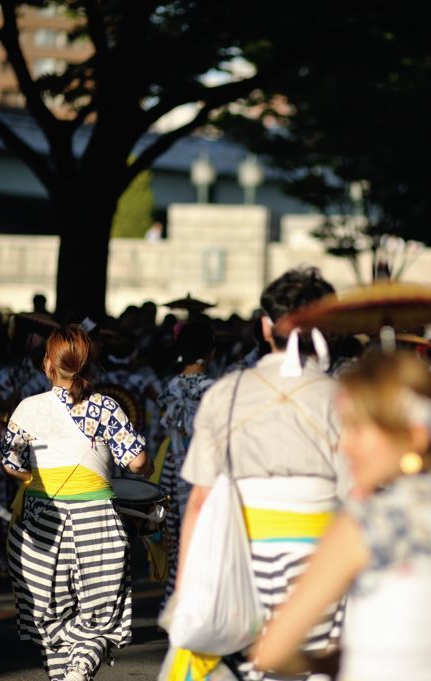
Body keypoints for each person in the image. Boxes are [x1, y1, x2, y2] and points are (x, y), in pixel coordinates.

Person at [251, 352, 431, 681]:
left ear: (416, 435)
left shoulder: (366, 526)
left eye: (358, 429)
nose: (344, 444)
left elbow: (272, 650)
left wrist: (334, 661)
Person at [173, 268, 346, 681]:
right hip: (323, 555)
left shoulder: (225, 393)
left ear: (266, 326)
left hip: (242, 555)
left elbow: (199, 500)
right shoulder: (343, 396)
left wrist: (185, 591)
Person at [0, 325, 150, 681]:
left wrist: (38, 479)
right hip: (96, 520)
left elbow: (10, 464)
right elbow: (138, 462)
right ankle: (80, 668)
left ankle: (66, 673)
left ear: (48, 364)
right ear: (88, 364)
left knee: (49, 618)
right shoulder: (106, 407)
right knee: (100, 616)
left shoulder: (28, 408)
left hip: (41, 522)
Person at [157, 320, 216, 601]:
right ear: (211, 353)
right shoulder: (215, 389)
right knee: (208, 541)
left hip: (173, 470)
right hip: (208, 474)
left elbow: (161, 427)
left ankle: (176, 601)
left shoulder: (170, 387)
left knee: (179, 542)